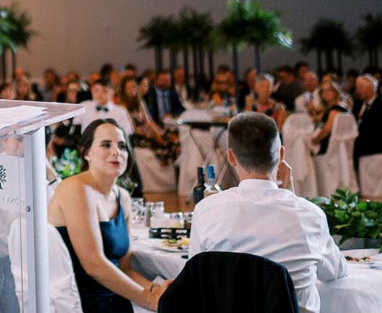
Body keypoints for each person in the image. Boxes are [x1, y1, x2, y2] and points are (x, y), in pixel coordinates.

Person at [188, 112, 346, 313]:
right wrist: (291, 197)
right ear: (281, 155)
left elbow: (195, 276)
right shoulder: (310, 215)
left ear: (231, 157)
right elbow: (336, 272)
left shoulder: (206, 211)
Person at [47, 120, 166, 312]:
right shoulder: (76, 189)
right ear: (86, 153)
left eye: (121, 146)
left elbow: (124, 268)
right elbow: (94, 264)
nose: (116, 152)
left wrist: (157, 291)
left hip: (116, 298)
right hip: (81, 304)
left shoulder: (123, 198)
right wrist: (149, 300)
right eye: (106, 145)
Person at [353, 74, 382, 173]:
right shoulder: (358, 104)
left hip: (377, 153)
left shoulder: (380, 104)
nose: (357, 91)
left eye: (360, 88)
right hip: (361, 153)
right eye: (356, 88)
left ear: (371, 88)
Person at [311, 82, 349, 156]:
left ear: (336, 92)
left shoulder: (335, 110)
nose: (325, 93)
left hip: (328, 149)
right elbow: (316, 119)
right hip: (338, 148)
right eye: (323, 91)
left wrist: (315, 141)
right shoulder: (341, 106)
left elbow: (326, 130)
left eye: (328, 90)